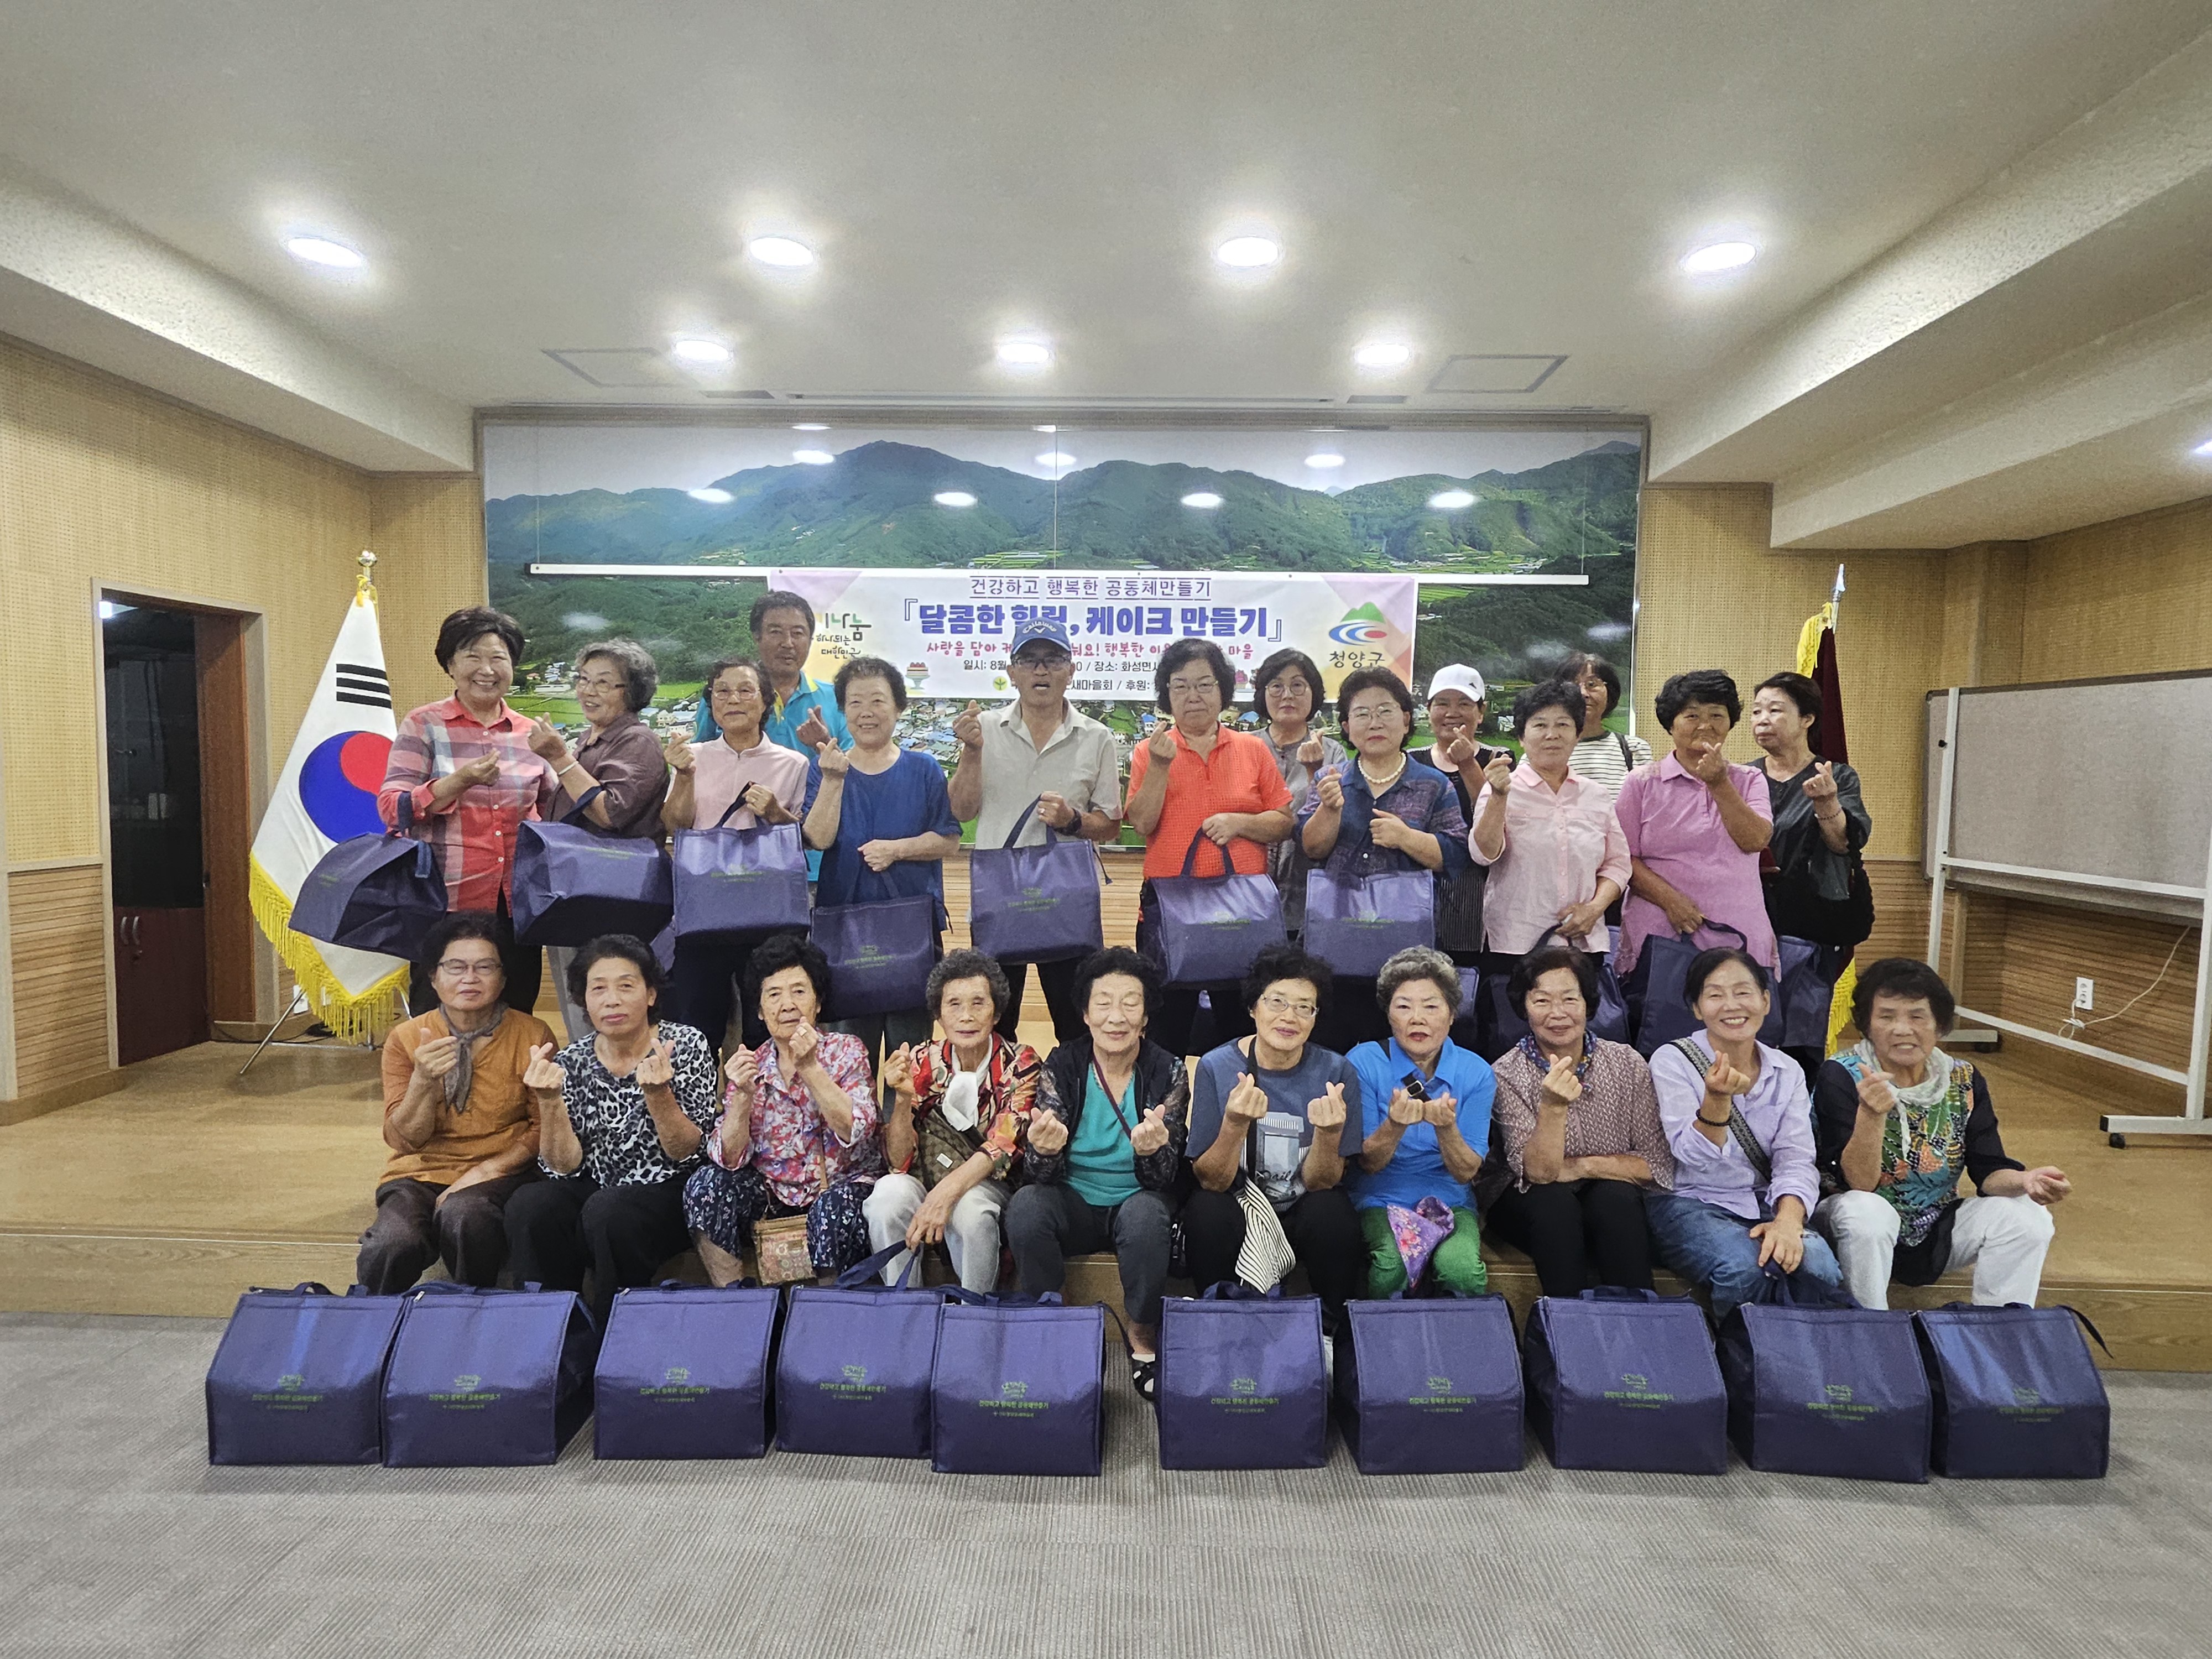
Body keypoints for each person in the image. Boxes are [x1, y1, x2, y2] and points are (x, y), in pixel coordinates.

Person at [1811, 959, 2068, 1308]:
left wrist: (2026, 1181)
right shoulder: (1842, 1075)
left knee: (2029, 1217)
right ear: (1867, 1025)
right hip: (1851, 1228)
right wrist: (1871, 1114)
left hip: (1936, 1227)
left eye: (1917, 1017)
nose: (1902, 1029)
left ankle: (2000, 1332)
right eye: (1886, 1017)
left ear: (1940, 1025)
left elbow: (1988, 1170)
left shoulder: (1963, 1079)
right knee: (1867, 1212)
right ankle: (1871, 1332)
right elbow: (1859, 1183)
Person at [504, 935, 721, 1327]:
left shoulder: (686, 1045)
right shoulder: (572, 1060)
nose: (612, 1000)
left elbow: (688, 1151)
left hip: (669, 1190)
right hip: (598, 1189)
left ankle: (612, 1339)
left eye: (626, 986)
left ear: (651, 994)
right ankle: (549, 1338)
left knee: (608, 1213)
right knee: (530, 1204)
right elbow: (564, 1167)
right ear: (583, 1000)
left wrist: (658, 1095)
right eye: (598, 989)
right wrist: (549, 1101)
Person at [1004, 947, 1188, 1402]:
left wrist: (1152, 1152)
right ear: (1085, 1014)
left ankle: (1142, 1334)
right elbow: (1038, 1174)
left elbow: (1166, 1179)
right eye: (1103, 1003)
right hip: (1074, 1200)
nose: (1116, 1017)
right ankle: (1057, 1322)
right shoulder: (1063, 1064)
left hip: (1136, 1199)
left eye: (1131, 1003)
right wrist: (1043, 1150)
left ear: (1146, 1016)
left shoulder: (1169, 1069)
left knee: (1148, 1218)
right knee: (1026, 1206)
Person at [356, 914, 556, 1294]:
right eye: (455, 967)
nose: (470, 978)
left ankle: (471, 1314)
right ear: (433, 977)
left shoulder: (532, 1034)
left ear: (503, 977)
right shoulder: (407, 1037)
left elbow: (543, 1127)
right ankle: (372, 1329)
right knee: (391, 1243)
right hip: (419, 1173)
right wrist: (423, 1081)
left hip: (499, 1173)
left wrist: (483, 1173)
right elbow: (403, 1140)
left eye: (485, 967)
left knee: (466, 1216)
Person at [947, 616, 1123, 1044]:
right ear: (1011, 672)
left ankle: (1074, 1106)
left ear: (1071, 670)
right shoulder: (984, 729)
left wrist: (1072, 821)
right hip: (999, 895)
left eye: (1053, 660)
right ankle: (1000, 1107)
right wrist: (971, 754)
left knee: (1076, 1024)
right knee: (995, 1024)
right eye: (1029, 660)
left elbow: (1112, 826)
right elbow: (961, 809)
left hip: (1066, 897)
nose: (1040, 671)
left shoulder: (1096, 736)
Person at [1644, 947, 1844, 1316]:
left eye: (1743, 992)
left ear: (1766, 1001)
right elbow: (1690, 1156)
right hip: (1690, 1201)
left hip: (1765, 1202)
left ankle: (1808, 1363)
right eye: (1715, 995)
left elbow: (1796, 1159)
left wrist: (1787, 1221)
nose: (1731, 1005)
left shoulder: (1787, 1071)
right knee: (1744, 1269)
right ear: (1697, 1008)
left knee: (1818, 1265)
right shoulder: (1673, 1061)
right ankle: (1739, 1362)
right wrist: (1717, 1100)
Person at [379, 606, 558, 1014]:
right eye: (472, 656)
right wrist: (457, 783)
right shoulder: (424, 725)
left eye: (499, 658)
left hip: (516, 904)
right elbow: (393, 808)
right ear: (450, 664)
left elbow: (550, 815)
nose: (487, 669)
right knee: (439, 1015)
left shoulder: (532, 734)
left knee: (515, 1014)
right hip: (444, 900)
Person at [1181, 945, 1365, 1332]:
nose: (1289, 1017)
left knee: (1333, 1214)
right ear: (1253, 1008)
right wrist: (1233, 1124)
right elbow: (1211, 1180)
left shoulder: (1337, 1071)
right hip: (1241, 1205)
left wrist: (1329, 1134)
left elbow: (1323, 1182)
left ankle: (1333, 1331)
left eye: (1304, 1007)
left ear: (1316, 1017)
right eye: (1277, 1002)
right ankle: (1216, 1320)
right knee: (1205, 1212)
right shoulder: (1218, 1066)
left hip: (1302, 1206)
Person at [1125, 638, 1295, 1056]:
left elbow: (1284, 822)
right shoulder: (1150, 752)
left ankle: (1239, 1118)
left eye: (1204, 685)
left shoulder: (1253, 750)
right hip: (1171, 909)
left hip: (1242, 908)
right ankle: (1166, 1120)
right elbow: (1142, 823)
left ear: (1222, 691)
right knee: (1166, 1034)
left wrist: (1241, 823)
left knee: (1244, 1034)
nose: (1193, 696)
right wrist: (1161, 768)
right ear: (1167, 695)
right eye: (1180, 686)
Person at [682, 933, 884, 1283]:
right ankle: (741, 1308)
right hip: (774, 1194)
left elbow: (858, 1131)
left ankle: (823, 1317)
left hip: (843, 1188)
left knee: (830, 1212)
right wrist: (742, 1098)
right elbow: (729, 1158)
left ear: (818, 1003)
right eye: (774, 995)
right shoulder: (751, 1063)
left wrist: (809, 1069)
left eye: (799, 991)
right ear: (760, 1011)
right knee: (705, 1186)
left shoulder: (846, 1050)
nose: (787, 1004)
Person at [1479, 947, 1670, 1297]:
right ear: (1524, 1007)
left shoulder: (1628, 1064)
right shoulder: (1506, 1074)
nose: (1558, 1014)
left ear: (1588, 1004)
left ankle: (1638, 1323)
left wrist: (1583, 1166)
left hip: (1608, 1198)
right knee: (1554, 1204)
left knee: (1617, 1199)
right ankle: (1565, 1326)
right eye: (1542, 1001)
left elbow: (1655, 1164)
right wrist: (1552, 1107)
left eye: (1570, 999)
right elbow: (1538, 1173)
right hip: (1526, 1203)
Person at [1297, 668, 1469, 1054]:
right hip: (1333, 943)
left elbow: (1456, 856)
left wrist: (1407, 838)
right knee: (1330, 1052)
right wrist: (1328, 810)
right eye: (1362, 713)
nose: (1374, 722)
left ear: (1406, 719)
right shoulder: (1331, 778)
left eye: (1386, 711)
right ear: (1346, 725)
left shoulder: (1433, 783)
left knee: (1400, 1052)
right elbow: (1311, 848)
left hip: (1406, 952)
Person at [802, 656, 963, 1065]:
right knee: (848, 1056)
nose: (866, 713)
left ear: (898, 707)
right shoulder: (827, 768)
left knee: (909, 1058)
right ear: (843, 711)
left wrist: (897, 849)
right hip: (845, 931)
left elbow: (948, 841)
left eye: (878, 701)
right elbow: (818, 837)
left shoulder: (924, 768)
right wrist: (834, 780)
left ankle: (901, 1128)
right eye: (855, 703)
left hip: (912, 932)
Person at [661, 656, 818, 1056]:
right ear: (710, 700)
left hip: (768, 913)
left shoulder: (793, 764)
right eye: (722, 691)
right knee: (696, 1027)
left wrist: (773, 813)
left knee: (766, 1028)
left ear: (765, 701)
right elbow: (676, 826)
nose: (733, 699)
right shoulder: (691, 757)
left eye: (746, 690)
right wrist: (683, 777)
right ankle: (697, 1114)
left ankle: (769, 1113)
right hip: (703, 911)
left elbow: (802, 839)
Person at [864, 950, 1042, 1291]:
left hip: (991, 1184)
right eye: (954, 1005)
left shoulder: (1021, 1063)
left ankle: (973, 1315)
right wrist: (902, 1099)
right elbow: (899, 1161)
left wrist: (943, 1195)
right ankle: (904, 1304)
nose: (966, 1017)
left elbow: (1002, 1147)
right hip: (926, 1175)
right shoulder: (919, 1059)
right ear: (939, 1014)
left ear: (997, 1012)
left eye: (979, 1003)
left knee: (971, 1209)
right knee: (887, 1194)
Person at [1467, 681, 1629, 1046]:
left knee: (1581, 1043)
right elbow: (1483, 854)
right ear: (1522, 736)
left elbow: (1618, 865)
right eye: (1540, 725)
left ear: (1577, 733)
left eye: (1563, 725)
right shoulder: (1500, 788)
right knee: (1513, 1045)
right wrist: (1499, 797)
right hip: (1516, 944)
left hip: (1583, 944)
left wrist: (1594, 908)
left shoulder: (1597, 796)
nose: (1552, 734)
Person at [531, 638, 672, 1042]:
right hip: (577, 893)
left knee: (607, 1005)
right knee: (582, 1001)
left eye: (604, 683)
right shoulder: (591, 739)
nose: (588, 691)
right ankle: (589, 1089)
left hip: (611, 898)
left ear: (631, 693)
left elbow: (611, 812)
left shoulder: (637, 740)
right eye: (583, 680)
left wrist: (559, 759)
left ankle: (617, 1090)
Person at [1346, 946, 1496, 1297]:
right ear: (1388, 1015)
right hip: (1379, 1196)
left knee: (1462, 1271)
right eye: (1404, 1006)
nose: (1418, 1018)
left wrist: (1447, 1128)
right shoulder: (1363, 1062)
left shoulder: (1476, 1072)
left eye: (1431, 1006)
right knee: (1389, 1267)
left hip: (1450, 1198)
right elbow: (1368, 1163)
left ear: (1452, 1014)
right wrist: (1395, 1125)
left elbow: (1466, 1172)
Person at [1614, 669, 1776, 979]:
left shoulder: (1750, 779)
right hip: (1661, 930)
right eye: (1692, 716)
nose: (1705, 725)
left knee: (1738, 1021)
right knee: (1657, 1022)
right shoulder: (1642, 783)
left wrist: (1719, 783)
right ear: (1671, 724)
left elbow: (1755, 840)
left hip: (1737, 932)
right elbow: (1622, 859)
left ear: (1730, 723)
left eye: (1717, 715)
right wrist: (1671, 902)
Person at [1751, 671, 1874, 1079]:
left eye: (1775, 710)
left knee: (1800, 1041)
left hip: (1808, 926)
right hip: (1749, 922)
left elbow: (1845, 844)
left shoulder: (1836, 777)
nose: (1762, 719)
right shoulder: (1742, 778)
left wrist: (1827, 803)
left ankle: (1801, 1132)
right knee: (1750, 1032)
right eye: (1756, 711)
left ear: (1807, 719)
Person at [695, 589, 851, 882]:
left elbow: (851, 773)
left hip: (811, 861)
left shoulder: (835, 700)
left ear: (810, 640)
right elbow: (699, 761)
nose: (787, 643)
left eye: (798, 633)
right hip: (726, 859)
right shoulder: (722, 700)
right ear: (757, 637)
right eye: (775, 632)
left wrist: (824, 746)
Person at [1409, 665, 1513, 995]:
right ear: (1428, 711)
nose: (1452, 713)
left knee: (1467, 988)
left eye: (1465, 704)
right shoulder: (1411, 762)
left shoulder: (1499, 758)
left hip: (1478, 895)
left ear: (1481, 712)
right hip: (1418, 893)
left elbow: (1491, 821)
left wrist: (1469, 764)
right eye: (1442, 703)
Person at [1249, 646, 1346, 941]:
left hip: (1307, 899)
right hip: (1246, 897)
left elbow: (1337, 822)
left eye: (1297, 685)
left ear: (1313, 694)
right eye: (1276, 686)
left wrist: (1314, 773)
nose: (1287, 695)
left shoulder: (1333, 753)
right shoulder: (1242, 747)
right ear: (1263, 694)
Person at [1558, 651, 1651, 804]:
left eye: (1592, 685)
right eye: (1573, 686)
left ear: (1610, 692)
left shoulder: (1634, 749)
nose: (1583, 693)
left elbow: (1650, 811)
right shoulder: (1541, 750)